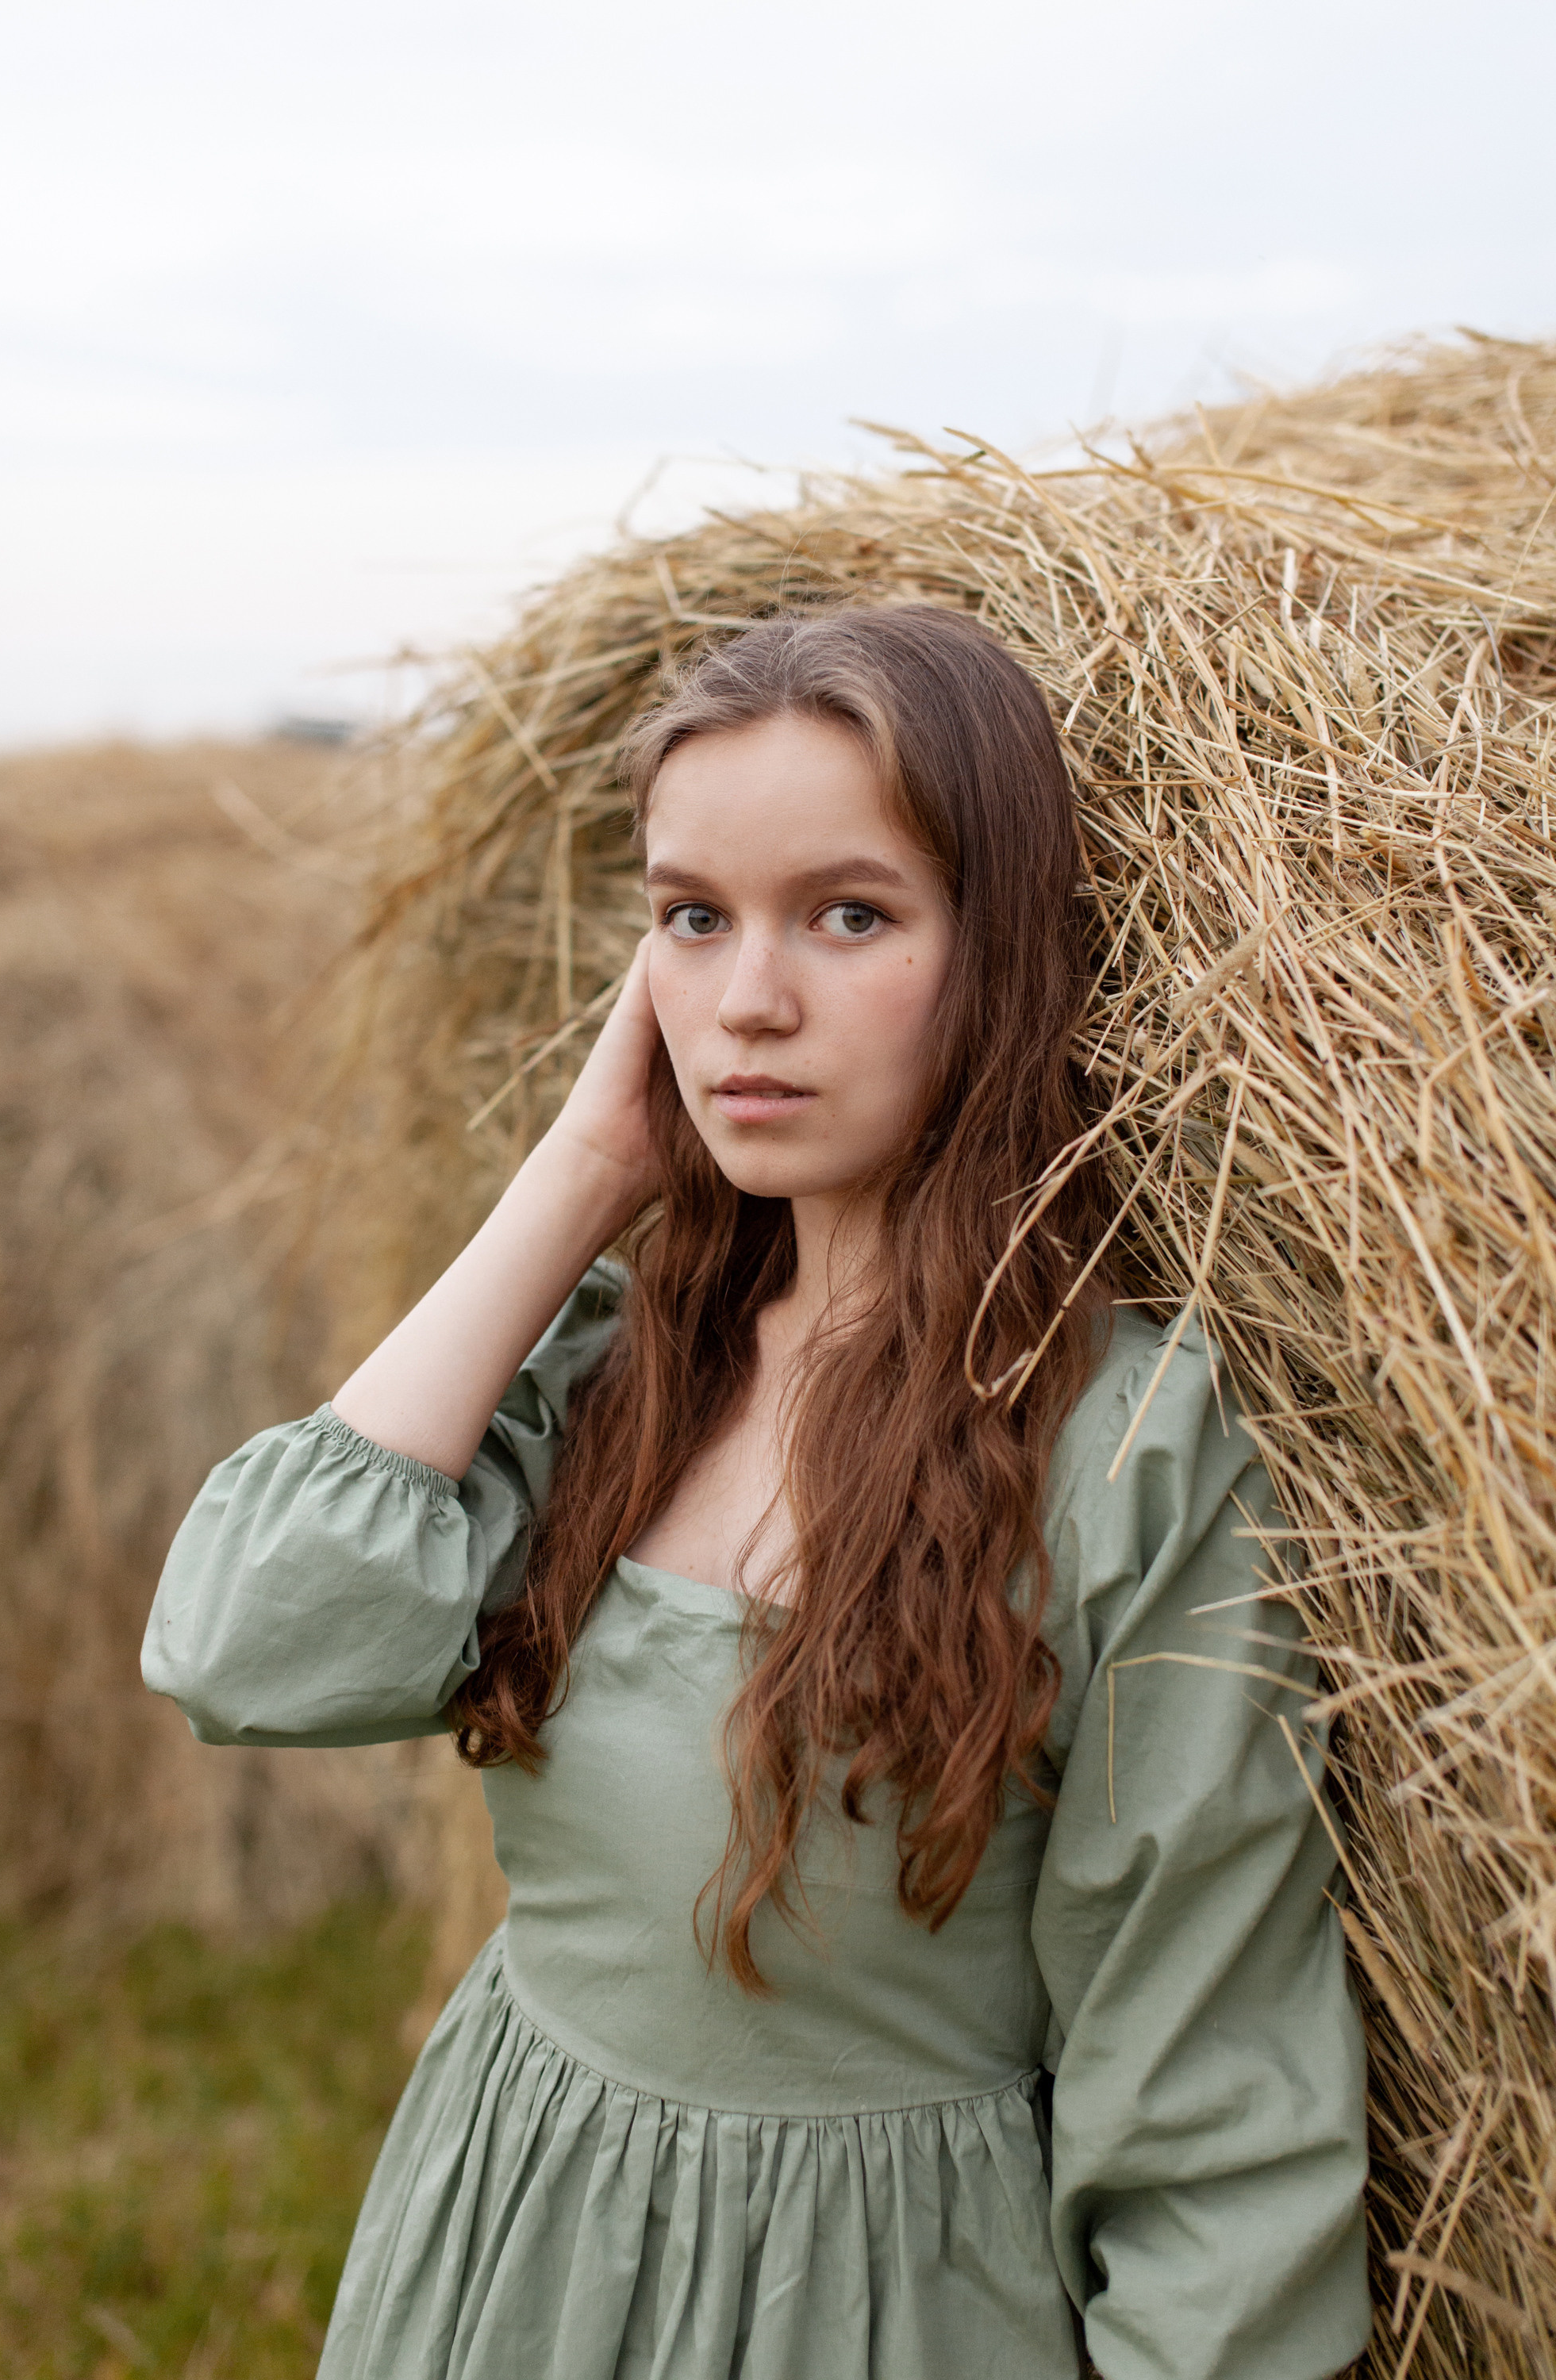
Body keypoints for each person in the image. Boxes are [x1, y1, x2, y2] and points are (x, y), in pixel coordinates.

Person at [143, 606, 1370, 2380]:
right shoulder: (607, 1371)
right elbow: (241, 1649)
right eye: (691, 919)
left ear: (1001, 954)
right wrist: (582, 1172)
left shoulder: (1121, 1447)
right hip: (511, 2251)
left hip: (870, 2310)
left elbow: (1206, 2101)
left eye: (848, 914)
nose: (748, 1001)